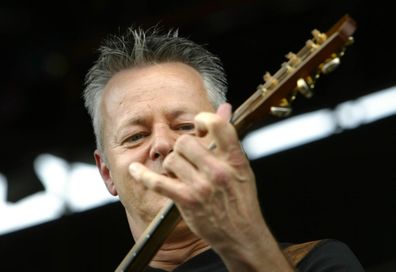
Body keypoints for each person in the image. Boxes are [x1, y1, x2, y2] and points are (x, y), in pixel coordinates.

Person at [82, 26, 364, 271]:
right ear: (106, 173)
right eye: (135, 136)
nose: (163, 144)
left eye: (185, 126)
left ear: (232, 149)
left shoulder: (315, 261)